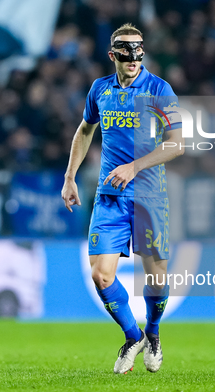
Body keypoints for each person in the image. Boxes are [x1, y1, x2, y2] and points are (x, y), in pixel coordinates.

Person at [61, 23, 184, 374]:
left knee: (156, 278)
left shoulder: (159, 90)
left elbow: (177, 143)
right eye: (125, 51)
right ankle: (134, 336)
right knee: (101, 274)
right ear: (113, 54)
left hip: (149, 196)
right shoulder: (100, 89)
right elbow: (85, 130)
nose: (133, 58)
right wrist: (70, 177)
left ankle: (154, 333)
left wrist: (135, 166)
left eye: (139, 50)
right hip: (110, 197)